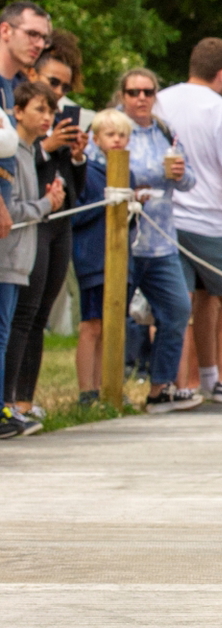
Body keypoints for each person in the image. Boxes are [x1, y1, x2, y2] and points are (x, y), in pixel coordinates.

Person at [156, 38, 222, 405]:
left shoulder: (162, 99)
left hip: (165, 214)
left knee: (185, 299)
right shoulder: (221, 109)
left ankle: (186, 381)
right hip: (208, 216)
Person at [110, 67, 201, 413]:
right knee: (113, 315)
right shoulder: (112, 127)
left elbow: (189, 179)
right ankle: (108, 391)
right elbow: (95, 169)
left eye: (148, 92)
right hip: (123, 237)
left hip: (161, 239)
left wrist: (179, 175)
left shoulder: (164, 130)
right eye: (133, 92)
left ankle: (160, 388)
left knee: (177, 310)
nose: (141, 98)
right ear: (123, 96)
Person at [6, 32, 86, 417]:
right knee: (22, 312)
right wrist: (47, 146)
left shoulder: (57, 118)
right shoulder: (23, 120)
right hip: (27, 220)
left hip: (58, 220)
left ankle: (24, 398)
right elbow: (20, 169)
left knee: (40, 314)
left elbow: (75, 186)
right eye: (52, 83)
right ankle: (10, 402)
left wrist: (77, 156)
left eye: (64, 87)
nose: (57, 93)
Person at [0, 81, 60, 433]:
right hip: (7, 259)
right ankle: (5, 407)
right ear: (17, 112)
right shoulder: (15, 154)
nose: (47, 117)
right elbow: (13, 209)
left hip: (19, 261)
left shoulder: (29, 153)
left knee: (11, 330)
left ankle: (8, 404)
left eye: (51, 111)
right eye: (39, 109)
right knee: (4, 333)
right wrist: (46, 205)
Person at [70, 109, 121, 410]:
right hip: (92, 254)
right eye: (110, 134)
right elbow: (75, 213)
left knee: (110, 323)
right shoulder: (86, 169)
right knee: (91, 325)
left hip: (118, 257)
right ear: (96, 138)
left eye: (121, 135)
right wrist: (107, 202)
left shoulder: (123, 168)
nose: (116, 140)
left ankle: (105, 386)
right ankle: (86, 390)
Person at [0, 1, 50, 110]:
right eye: (32, 34)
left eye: (44, 38)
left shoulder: (17, 87)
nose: (40, 45)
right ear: (5, 31)